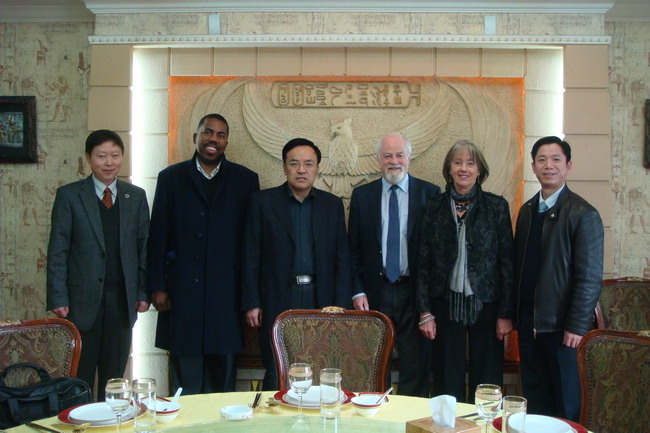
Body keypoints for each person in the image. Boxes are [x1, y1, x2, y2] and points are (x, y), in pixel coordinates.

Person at [147, 113, 260, 394]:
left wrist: (250, 298)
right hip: (182, 294)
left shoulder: (245, 180)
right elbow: (158, 234)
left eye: (221, 135)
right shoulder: (171, 178)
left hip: (227, 296)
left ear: (226, 142)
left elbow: (251, 245)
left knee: (222, 382)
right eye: (208, 132)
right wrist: (157, 286)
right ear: (195, 137)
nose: (214, 139)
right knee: (186, 382)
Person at [47, 130, 150, 400]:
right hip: (81, 301)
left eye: (115, 155)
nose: (109, 162)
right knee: (80, 375)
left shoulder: (135, 196)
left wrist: (143, 292)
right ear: (88, 158)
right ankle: (80, 420)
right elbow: (58, 250)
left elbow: (144, 249)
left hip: (121, 300)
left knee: (114, 377)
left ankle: (113, 418)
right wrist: (58, 296)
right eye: (101, 156)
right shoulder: (70, 196)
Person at [242, 138, 351, 390]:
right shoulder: (262, 203)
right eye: (294, 163)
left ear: (317, 169)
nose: (301, 170)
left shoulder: (332, 205)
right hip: (277, 298)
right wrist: (252, 302)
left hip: (321, 299)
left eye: (308, 164)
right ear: (284, 167)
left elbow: (342, 259)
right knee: (277, 367)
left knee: (320, 364)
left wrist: (341, 305)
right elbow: (250, 256)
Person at [416, 140, 514, 402]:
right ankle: (449, 422)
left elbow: (507, 262)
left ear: (479, 170)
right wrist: (425, 312)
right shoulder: (434, 207)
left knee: (487, 379)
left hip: (487, 304)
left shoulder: (496, 206)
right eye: (457, 162)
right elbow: (423, 263)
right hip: (444, 303)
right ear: (449, 168)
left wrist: (505, 313)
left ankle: (484, 422)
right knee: (447, 377)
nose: (464, 169)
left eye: (470, 163)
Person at [514, 136, 603, 421]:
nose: (548, 165)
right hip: (529, 327)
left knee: (566, 406)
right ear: (533, 166)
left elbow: (589, 278)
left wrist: (576, 325)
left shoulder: (583, 213)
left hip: (563, 330)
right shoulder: (527, 211)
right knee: (536, 406)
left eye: (556, 159)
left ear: (568, 166)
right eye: (541, 160)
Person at [348, 132, 440, 397]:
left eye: (400, 155)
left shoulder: (430, 194)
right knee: (374, 365)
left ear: (409, 158)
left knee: (416, 365)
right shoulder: (362, 196)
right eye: (387, 155)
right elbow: (353, 249)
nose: (394, 161)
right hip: (374, 292)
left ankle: (411, 417)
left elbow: (436, 254)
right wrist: (357, 290)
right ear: (378, 160)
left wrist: (428, 305)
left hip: (414, 293)